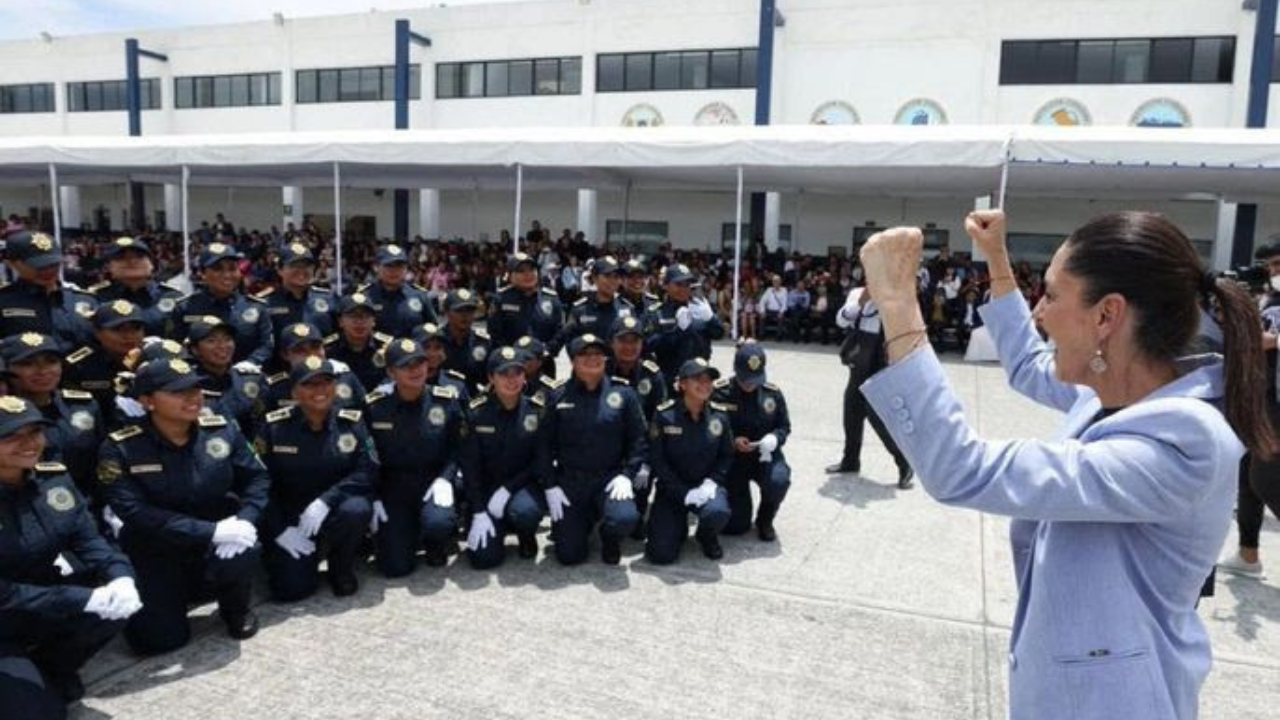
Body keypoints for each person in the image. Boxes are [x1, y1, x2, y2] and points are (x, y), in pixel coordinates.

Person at [856, 210, 1273, 720]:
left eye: (1052, 296)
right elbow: (1031, 365)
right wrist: (997, 260)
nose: (1040, 314)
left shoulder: (1185, 441)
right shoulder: (1120, 390)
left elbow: (960, 468)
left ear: (1106, 316)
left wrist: (899, 307)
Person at [97, 357, 269, 655]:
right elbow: (134, 512)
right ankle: (175, 597)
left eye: (195, 388)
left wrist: (246, 520)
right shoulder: (120, 447)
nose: (192, 397)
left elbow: (257, 479)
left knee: (244, 546)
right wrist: (209, 531)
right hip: (155, 547)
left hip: (217, 536)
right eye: (178, 392)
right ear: (147, 401)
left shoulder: (222, 429)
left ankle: (235, 608)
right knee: (159, 643)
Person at [0, 395, 140, 716]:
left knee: (117, 606)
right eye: (10, 437)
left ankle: (53, 668)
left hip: (45, 600)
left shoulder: (53, 479)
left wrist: (121, 577)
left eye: (34, 432)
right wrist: (81, 599)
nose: (29, 443)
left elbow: (89, 540)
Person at [256, 357, 375, 601]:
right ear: (294, 391)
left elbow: (367, 470)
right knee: (292, 590)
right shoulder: (274, 428)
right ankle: (300, 559)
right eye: (310, 385)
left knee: (357, 509)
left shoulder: (351, 422)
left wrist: (325, 501)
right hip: (291, 516)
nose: (320, 390)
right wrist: (279, 530)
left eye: (326, 382)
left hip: (333, 508)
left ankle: (340, 566)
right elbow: (258, 483)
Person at [537, 334, 645, 565]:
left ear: (606, 359)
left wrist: (628, 475)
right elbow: (544, 445)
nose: (592, 359)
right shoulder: (557, 396)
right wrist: (550, 485)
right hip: (570, 481)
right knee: (569, 556)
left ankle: (610, 537)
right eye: (584, 354)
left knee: (625, 518)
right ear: (573, 361)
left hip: (609, 478)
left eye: (598, 354)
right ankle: (582, 520)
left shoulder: (623, 394)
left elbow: (638, 439)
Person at [364, 338, 464, 575]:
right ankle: (406, 533)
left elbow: (457, 447)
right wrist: (373, 496)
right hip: (393, 487)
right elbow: (366, 456)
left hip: (432, 482)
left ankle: (435, 540)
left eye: (419, 363)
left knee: (438, 522)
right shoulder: (375, 407)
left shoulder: (445, 401)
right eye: (406, 365)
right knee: (394, 568)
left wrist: (445, 478)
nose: (415, 370)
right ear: (390, 372)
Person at [1218, 240, 1280, 576]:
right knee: (1247, 475)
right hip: (1260, 395)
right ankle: (1248, 554)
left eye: (1278, 264)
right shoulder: (1268, 297)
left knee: (1266, 479)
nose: (1274, 273)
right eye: (1270, 266)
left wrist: (1275, 341)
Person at [459, 346, 547, 568]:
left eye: (517, 372)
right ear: (491, 378)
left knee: (525, 513)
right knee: (483, 560)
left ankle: (525, 534)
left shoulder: (536, 411)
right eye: (503, 374)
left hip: (522, 486)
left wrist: (508, 488)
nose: (511, 380)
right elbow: (470, 466)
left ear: (524, 376)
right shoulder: (476, 413)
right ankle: (492, 523)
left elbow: (539, 460)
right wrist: (478, 510)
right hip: (486, 488)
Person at [645, 358, 733, 564]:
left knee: (718, 511)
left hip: (706, 486)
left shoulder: (719, 417)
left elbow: (726, 455)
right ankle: (677, 526)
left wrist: (713, 481)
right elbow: (658, 460)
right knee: (660, 555)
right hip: (672, 489)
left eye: (709, 380)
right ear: (682, 384)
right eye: (698, 379)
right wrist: (682, 492)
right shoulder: (665, 415)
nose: (705, 385)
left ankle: (706, 535)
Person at [826, 285, 914, 489]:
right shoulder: (858, 293)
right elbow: (841, 320)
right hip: (859, 359)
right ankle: (850, 461)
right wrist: (861, 302)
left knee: (878, 417)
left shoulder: (896, 293)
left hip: (882, 362)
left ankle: (904, 463)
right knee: (851, 412)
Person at [0, 333, 104, 499]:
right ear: (8, 370)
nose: (43, 371)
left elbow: (99, 461)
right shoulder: (3, 417)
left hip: (86, 503)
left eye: (51, 361)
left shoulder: (84, 405)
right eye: (27, 364)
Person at [712, 342, 791, 541]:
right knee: (736, 526)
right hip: (733, 461)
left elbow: (784, 426)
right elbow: (709, 429)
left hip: (764, 456)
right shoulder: (720, 392)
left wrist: (774, 438)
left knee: (778, 481)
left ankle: (765, 519)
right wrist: (732, 441)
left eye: (754, 379)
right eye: (745, 379)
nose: (750, 384)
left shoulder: (772, 393)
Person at [606, 315, 668, 540]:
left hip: (640, 449)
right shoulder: (599, 371)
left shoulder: (652, 375)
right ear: (612, 342)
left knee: (635, 516)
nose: (629, 347)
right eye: (623, 340)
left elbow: (659, 421)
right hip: (606, 448)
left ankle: (638, 512)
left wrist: (647, 462)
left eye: (635, 341)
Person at [173, 242, 274, 366]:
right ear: (202, 273)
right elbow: (175, 346)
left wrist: (250, 364)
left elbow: (266, 344)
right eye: (217, 269)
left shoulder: (256, 307)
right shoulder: (185, 307)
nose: (227, 275)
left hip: (245, 377)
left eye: (232, 268)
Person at [0, 231, 97, 348]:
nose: (48, 271)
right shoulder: (4, 301)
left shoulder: (84, 300)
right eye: (39, 266)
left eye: (53, 264)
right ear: (11, 263)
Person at [87, 236, 183, 337]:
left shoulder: (173, 296)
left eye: (140, 256)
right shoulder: (96, 297)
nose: (132, 261)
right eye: (121, 257)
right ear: (109, 267)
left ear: (152, 265)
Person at [486, 252, 564, 373]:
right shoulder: (500, 299)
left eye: (532, 269)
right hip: (510, 367)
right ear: (510, 276)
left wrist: (546, 352)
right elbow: (495, 334)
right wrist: (512, 357)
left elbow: (560, 331)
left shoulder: (551, 299)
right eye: (521, 271)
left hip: (543, 365)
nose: (528, 274)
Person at [261, 323, 364, 413]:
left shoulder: (344, 377)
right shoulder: (275, 388)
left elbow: (363, 415)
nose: (311, 354)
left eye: (315, 347)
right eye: (300, 350)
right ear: (285, 355)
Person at [62, 300, 146, 410]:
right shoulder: (79, 366)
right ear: (97, 332)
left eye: (136, 328)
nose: (128, 335)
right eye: (118, 329)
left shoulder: (155, 359)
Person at [186, 316, 265, 433]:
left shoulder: (251, 379)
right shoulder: (186, 384)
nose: (222, 346)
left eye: (227, 339)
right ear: (195, 349)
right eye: (211, 341)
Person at [648, 264, 724, 382]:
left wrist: (711, 319)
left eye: (687, 284)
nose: (684, 289)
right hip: (670, 378)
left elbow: (719, 334)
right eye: (678, 284)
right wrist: (677, 332)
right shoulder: (657, 312)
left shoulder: (699, 308)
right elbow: (650, 345)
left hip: (698, 377)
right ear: (666, 286)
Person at [254, 241, 335, 345]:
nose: (301, 270)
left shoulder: (329, 299)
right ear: (279, 270)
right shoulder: (264, 302)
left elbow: (336, 335)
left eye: (306, 266)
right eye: (294, 265)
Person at [554, 256, 633, 356]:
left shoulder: (627, 308)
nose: (613, 281)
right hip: (589, 366)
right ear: (595, 278)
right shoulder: (580, 309)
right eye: (607, 276)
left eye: (616, 276)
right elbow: (570, 342)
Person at [359, 244, 437, 338]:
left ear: (406, 269)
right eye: (389, 266)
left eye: (399, 266)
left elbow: (432, 330)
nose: (394, 271)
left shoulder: (419, 296)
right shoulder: (365, 297)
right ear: (376, 267)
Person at [325, 292, 393, 394]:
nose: (359, 322)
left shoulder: (388, 346)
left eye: (365, 316)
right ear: (340, 321)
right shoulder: (328, 349)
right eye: (353, 316)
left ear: (374, 321)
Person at [437, 289, 491, 393]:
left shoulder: (483, 342)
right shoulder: (436, 341)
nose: (465, 315)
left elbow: (490, 377)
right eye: (459, 310)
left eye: (469, 310)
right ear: (447, 312)